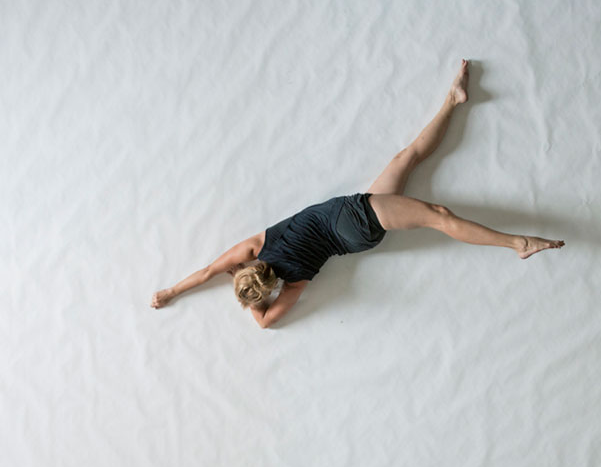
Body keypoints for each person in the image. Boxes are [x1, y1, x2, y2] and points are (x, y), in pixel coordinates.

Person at [151, 59, 564, 328]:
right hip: (352, 215)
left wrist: (249, 301)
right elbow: (208, 271)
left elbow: (263, 322)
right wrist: (174, 290)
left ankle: (453, 100)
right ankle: (517, 243)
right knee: (439, 215)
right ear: (248, 265)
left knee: (408, 157)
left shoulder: (292, 285)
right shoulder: (256, 246)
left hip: (357, 237)